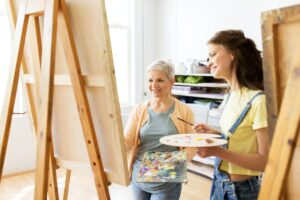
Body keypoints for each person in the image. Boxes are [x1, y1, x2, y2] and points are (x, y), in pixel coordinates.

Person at [194, 30, 269, 200]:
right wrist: (214, 132)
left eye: (212, 55)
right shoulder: (230, 96)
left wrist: (218, 152)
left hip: (242, 192)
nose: (208, 62)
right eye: (208, 57)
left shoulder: (258, 101)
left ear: (232, 54)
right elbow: (241, 138)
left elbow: (264, 161)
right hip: (219, 183)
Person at [124, 59, 196, 200]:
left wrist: (161, 166)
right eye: (150, 80)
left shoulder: (185, 110)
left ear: (171, 81)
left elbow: (191, 147)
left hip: (168, 181)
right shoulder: (139, 109)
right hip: (139, 179)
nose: (154, 85)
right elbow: (127, 140)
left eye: (160, 80)